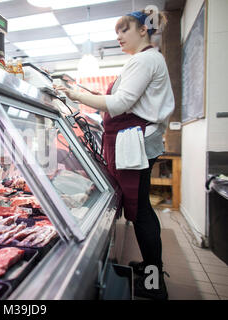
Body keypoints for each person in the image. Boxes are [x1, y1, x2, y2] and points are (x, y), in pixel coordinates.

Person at [55, 10, 174, 300]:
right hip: (135, 143)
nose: (118, 37)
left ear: (143, 31)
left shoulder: (146, 60)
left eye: (124, 30)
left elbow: (120, 103)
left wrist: (75, 95)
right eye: (116, 32)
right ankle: (150, 270)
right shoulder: (146, 59)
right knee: (142, 209)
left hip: (136, 145)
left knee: (142, 212)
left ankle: (153, 283)